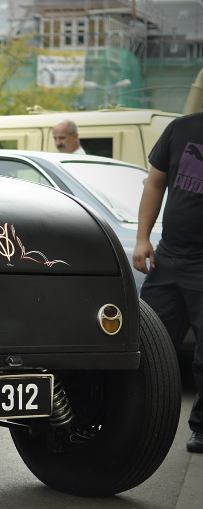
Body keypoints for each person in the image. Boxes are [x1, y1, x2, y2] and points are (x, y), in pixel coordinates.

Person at [132, 110, 203, 453]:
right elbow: (155, 183)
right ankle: (130, 420)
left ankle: (201, 428)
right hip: (169, 258)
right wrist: (142, 238)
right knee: (146, 343)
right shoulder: (181, 128)